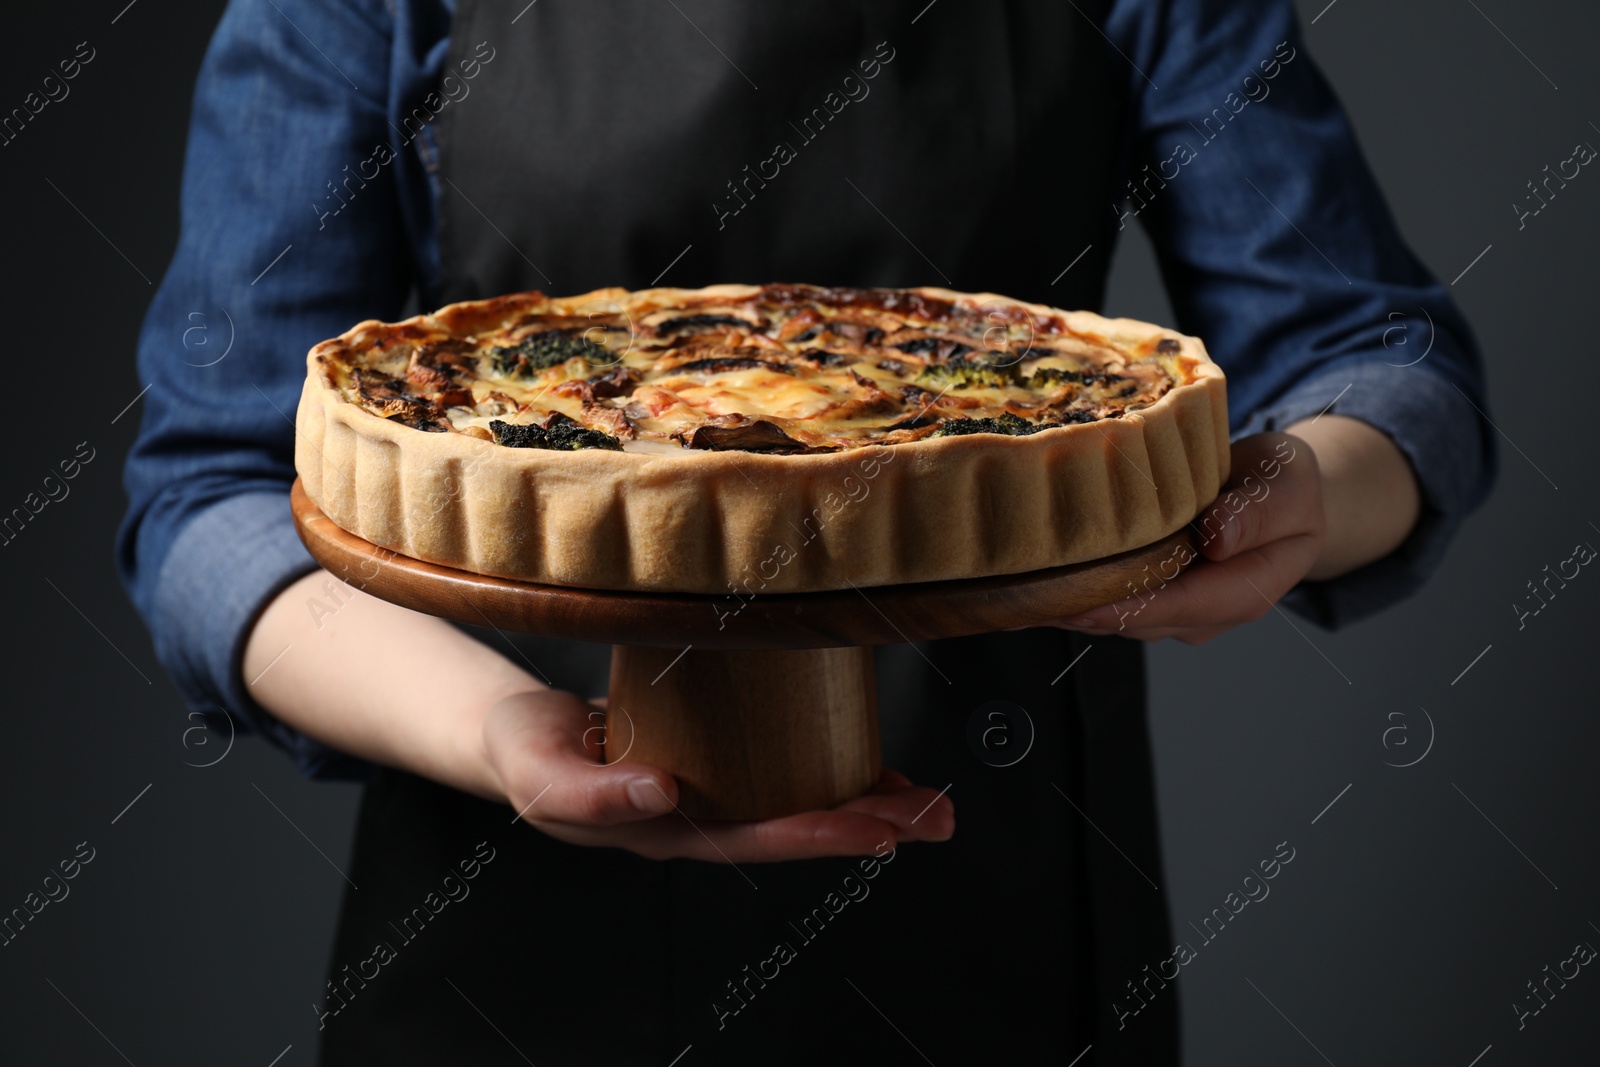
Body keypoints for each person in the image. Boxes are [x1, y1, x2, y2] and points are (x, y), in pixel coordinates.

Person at [118, 0, 1494, 1062]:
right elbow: (213, 492)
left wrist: (1288, 495)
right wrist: (494, 733)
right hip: (503, 933)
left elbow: (1373, 355)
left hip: (996, 917)